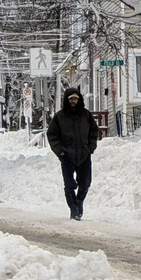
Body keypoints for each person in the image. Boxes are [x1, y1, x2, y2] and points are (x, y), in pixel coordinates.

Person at [46, 86, 99, 221]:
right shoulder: (59, 117)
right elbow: (52, 135)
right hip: (67, 156)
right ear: (66, 100)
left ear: (79, 99)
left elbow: (94, 131)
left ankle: (79, 202)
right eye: (71, 99)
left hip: (84, 155)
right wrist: (60, 152)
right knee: (69, 185)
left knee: (85, 183)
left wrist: (90, 147)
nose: (73, 101)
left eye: (75, 98)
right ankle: (73, 208)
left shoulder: (86, 115)